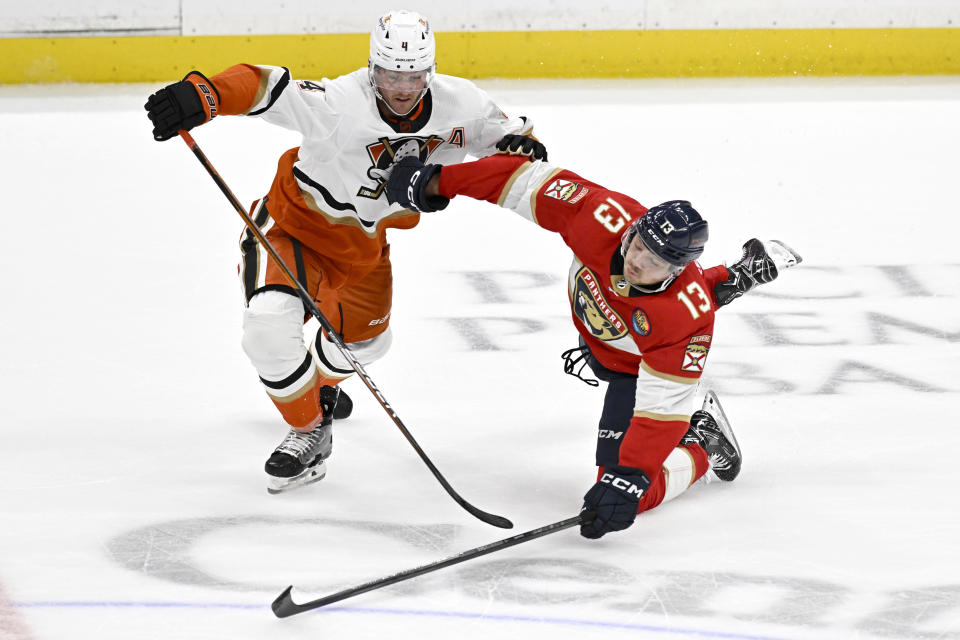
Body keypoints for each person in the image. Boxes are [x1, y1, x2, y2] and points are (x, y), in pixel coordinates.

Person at [143, 10, 548, 494]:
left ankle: (315, 386)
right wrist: (204, 94)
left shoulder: (461, 102)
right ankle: (309, 429)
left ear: (430, 71)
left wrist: (523, 148)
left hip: (365, 246)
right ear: (373, 69)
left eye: (414, 75)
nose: (403, 87)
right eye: (392, 74)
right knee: (269, 327)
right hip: (294, 229)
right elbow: (266, 85)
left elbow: (507, 136)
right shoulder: (338, 103)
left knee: (370, 345)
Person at [383, 153, 801, 538]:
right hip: (608, 338)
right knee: (645, 316)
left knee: (633, 494)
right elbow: (522, 181)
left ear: (677, 270)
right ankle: (739, 276)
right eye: (638, 245)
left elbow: (663, 407)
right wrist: (441, 180)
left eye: (654, 262)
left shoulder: (684, 318)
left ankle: (706, 446)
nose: (636, 260)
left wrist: (631, 477)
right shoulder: (604, 216)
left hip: (629, 369)